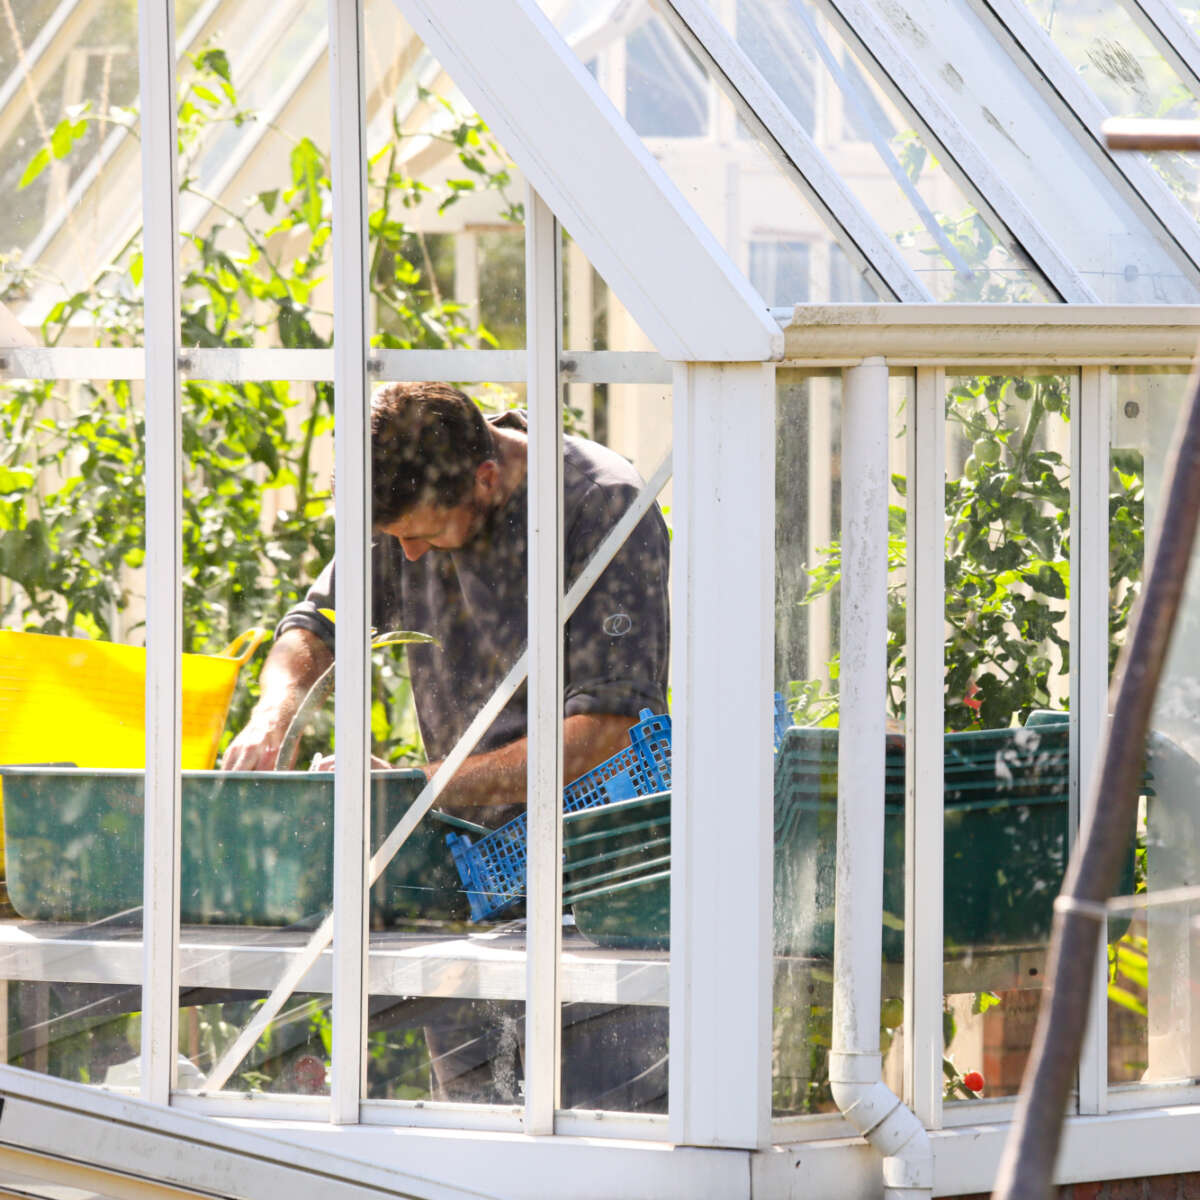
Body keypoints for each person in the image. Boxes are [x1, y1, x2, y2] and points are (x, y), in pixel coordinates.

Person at [223, 381, 671, 1107]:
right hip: (466, 888)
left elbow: (606, 735)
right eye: (391, 538)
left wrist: (414, 790)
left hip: (597, 892)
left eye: (423, 536)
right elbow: (316, 624)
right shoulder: (405, 485)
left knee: (604, 1134)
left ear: (486, 477)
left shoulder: (601, 509)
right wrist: (274, 711)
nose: (404, 556)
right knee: (471, 1138)